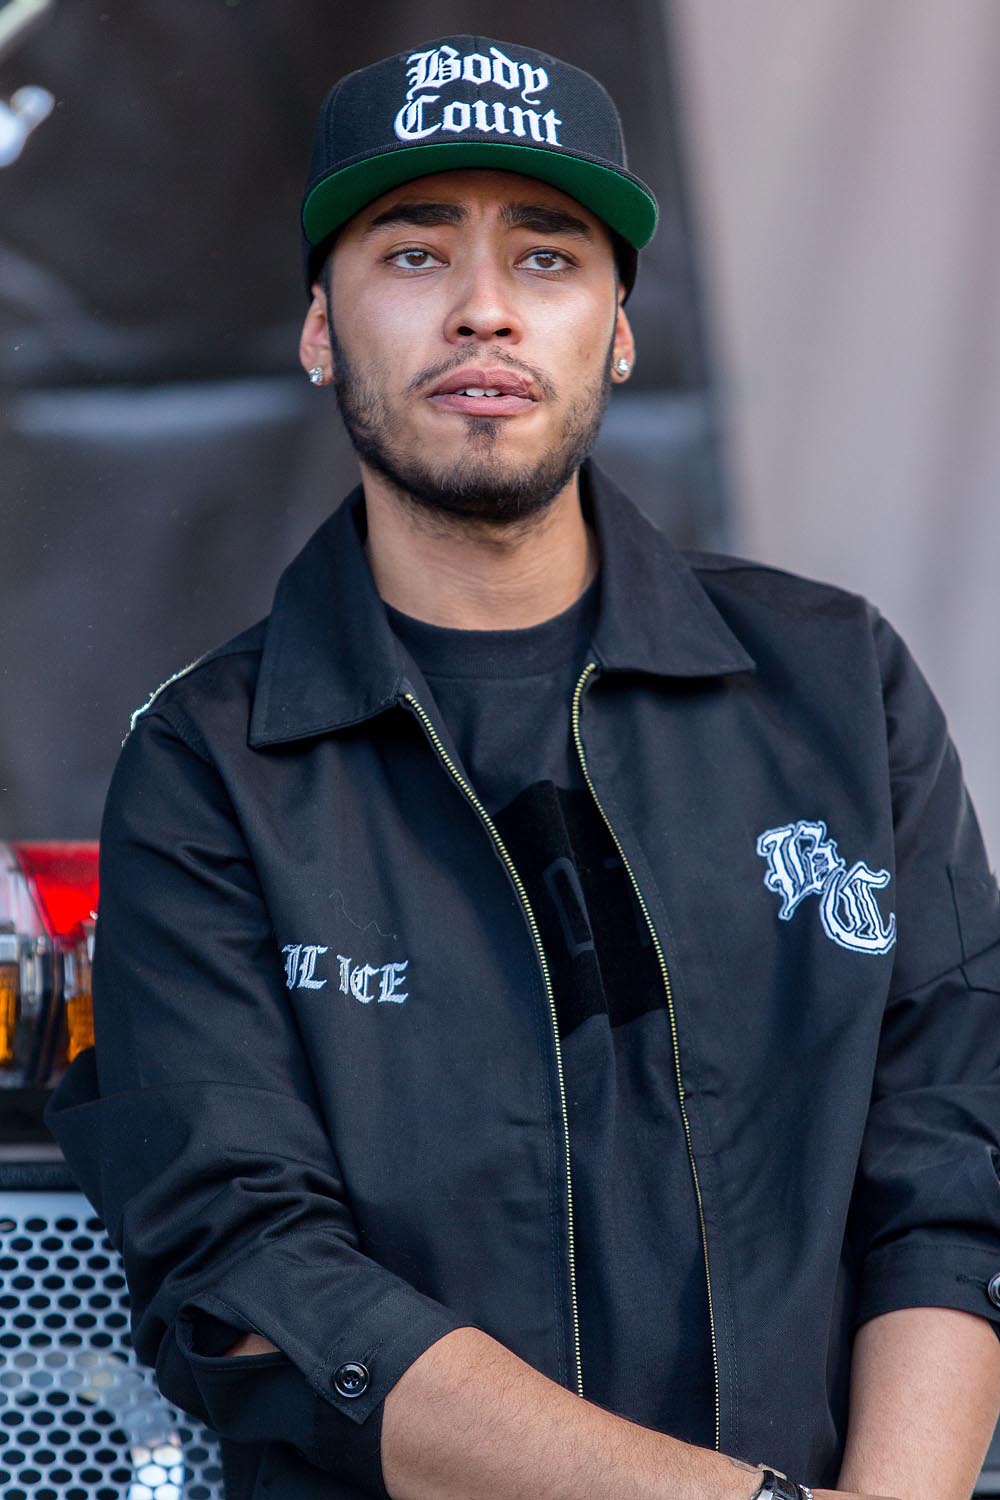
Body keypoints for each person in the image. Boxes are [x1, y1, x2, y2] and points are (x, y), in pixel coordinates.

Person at [47, 33, 1000, 1500]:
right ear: (320, 330)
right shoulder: (204, 768)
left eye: (548, 258)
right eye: (415, 254)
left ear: (619, 329)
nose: (485, 309)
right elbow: (254, 1275)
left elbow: (951, 1172)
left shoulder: (841, 689)